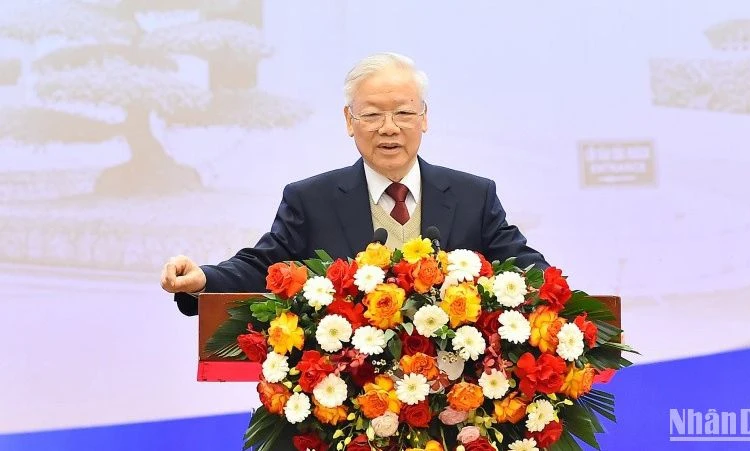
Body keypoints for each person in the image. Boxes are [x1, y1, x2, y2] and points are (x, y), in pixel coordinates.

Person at [160, 51, 549, 448]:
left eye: (403, 113)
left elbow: (526, 269)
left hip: (453, 421)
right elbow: (265, 265)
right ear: (349, 121)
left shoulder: (472, 196)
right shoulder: (312, 199)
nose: (389, 128)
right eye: (372, 115)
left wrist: (558, 304)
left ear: (424, 118)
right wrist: (203, 280)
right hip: (347, 421)